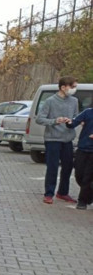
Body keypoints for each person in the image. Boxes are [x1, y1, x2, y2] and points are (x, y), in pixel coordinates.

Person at [35, 76, 79, 204]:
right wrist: (55, 121)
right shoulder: (50, 101)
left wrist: (72, 121)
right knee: (52, 167)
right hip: (52, 139)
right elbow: (39, 119)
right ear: (63, 87)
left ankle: (63, 192)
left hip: (67, 139)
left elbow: (76, 116)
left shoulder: (74, 101)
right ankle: (49, 194)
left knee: (68, 166)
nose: (74, 89)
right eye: (72, 87)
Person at [65, 100, 93, 210]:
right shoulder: (88, 112)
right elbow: (73, 123)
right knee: (79, 174)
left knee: (87, 176)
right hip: (82, 148)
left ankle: (82, 201)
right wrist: (68, 122)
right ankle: (89, 194)